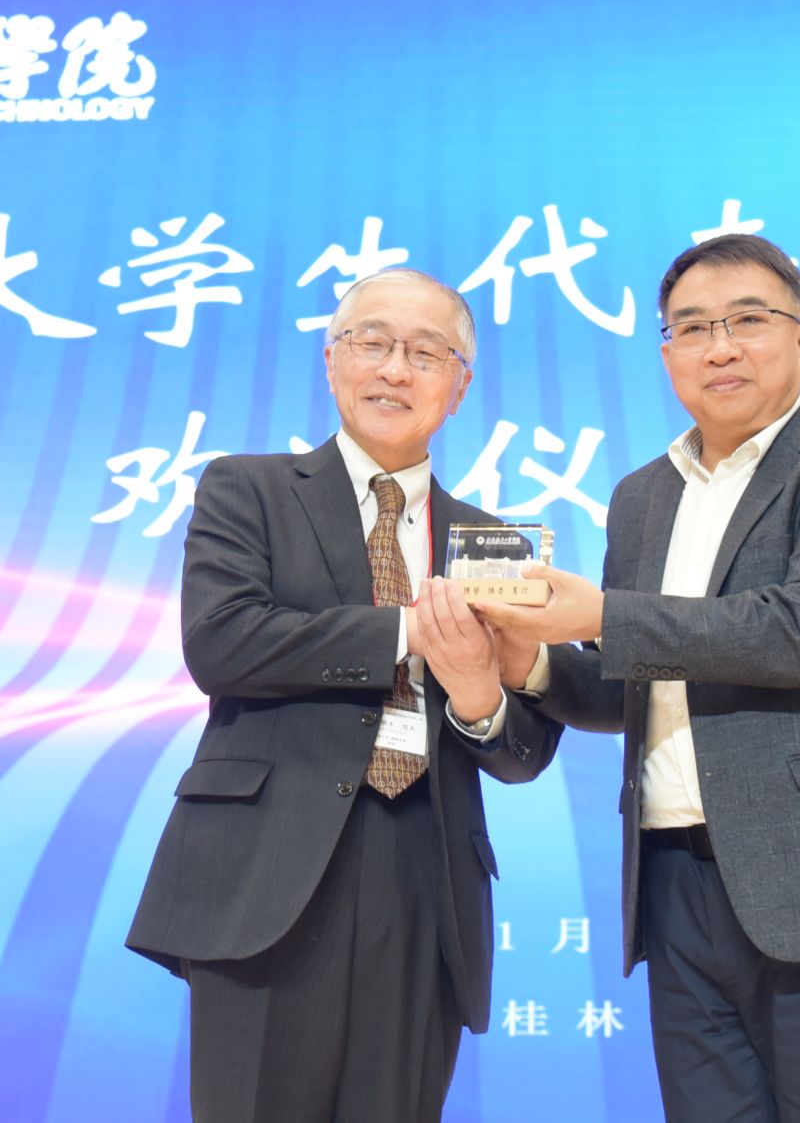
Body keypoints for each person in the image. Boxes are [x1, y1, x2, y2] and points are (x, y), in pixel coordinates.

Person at [480, 233, 800, 1123]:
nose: (719, 347)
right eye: (692, 328)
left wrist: (599, 615)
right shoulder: (642, 495)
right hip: (674, 884)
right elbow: (634, 681)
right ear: (668, 355)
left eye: (746, 320)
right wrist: (526, 658)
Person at [127, 269, 562, 1123]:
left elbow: (526, 751)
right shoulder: (247, 488)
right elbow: (222, 641)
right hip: (269, 867)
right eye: (374, 342)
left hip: (426, 876)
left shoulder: (492, 542)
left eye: (427, 352)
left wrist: (480, 697)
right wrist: (411, 631)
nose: (396, 369)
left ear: (459, 385)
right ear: (332, 361)